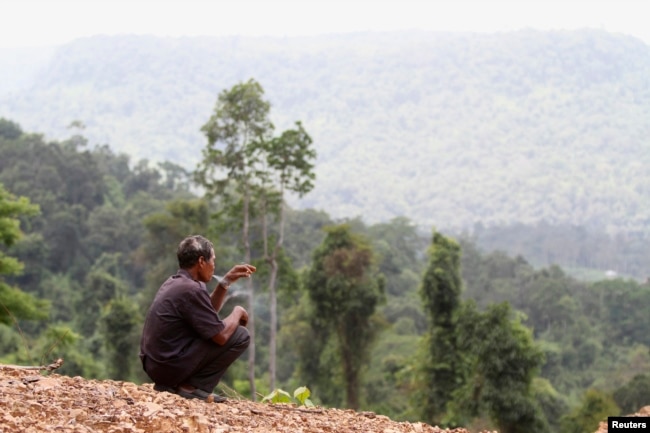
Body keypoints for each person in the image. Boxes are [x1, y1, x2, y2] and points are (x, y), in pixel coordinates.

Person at [140, 234, 255, 403]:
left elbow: (206, 314)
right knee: (240, 335)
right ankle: (192, 388)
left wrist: (225, 282)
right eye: (212, 261)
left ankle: (180, 385)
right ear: (201, 262)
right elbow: (221, 337)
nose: (214, 266)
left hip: (157, 367)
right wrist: (237, 312)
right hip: (168, 367)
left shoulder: (176, 283)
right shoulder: (190, 289)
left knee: (220, 331)